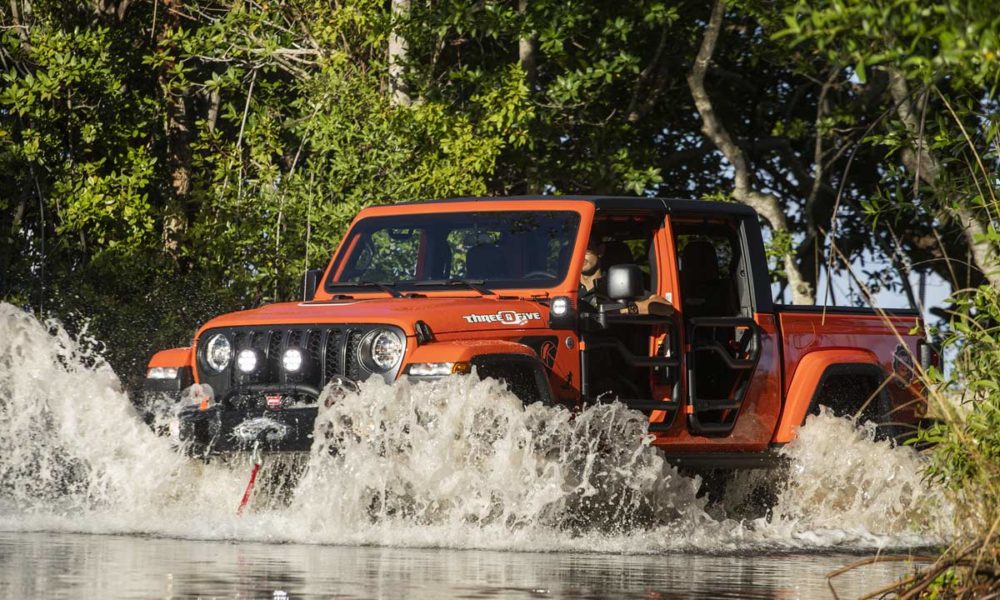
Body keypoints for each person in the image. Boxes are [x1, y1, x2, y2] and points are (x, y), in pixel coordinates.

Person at [579, 240, 674, 316]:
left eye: (586, 249)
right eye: (574, 251)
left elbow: (666, 308)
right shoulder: (566, 286)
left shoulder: (618, 283)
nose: (579, 255)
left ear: (600, 250)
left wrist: (624, 309)